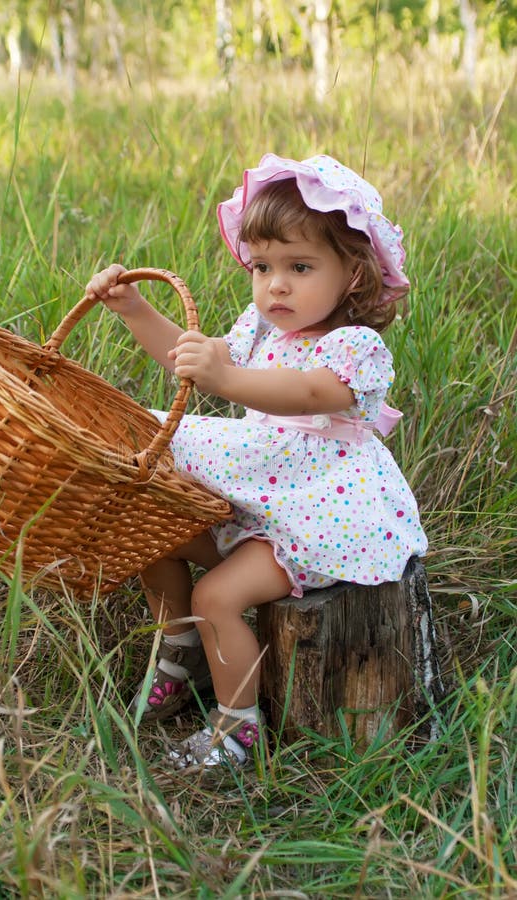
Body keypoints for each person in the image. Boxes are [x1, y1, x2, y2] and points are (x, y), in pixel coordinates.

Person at [85, 153, 427, 770]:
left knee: (218, 594)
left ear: (353, 274)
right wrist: (135, 309)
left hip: (320, 517)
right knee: (155, 537)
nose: (276, 285)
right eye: (262, 266)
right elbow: (190, 358)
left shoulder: (355, 347)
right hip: (263, 500)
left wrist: (228, 380)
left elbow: (310, 394)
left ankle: (237, 725)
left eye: (300, 267)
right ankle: (179, 648)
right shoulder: (261, 329)